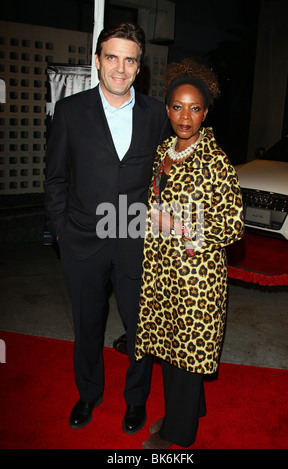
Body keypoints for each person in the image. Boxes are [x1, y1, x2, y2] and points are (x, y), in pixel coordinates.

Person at [44, 22, 170, 434]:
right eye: (112, 57)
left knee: (141, 329)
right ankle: (89, 394)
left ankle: (135, 401)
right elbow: (56, 178)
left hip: (137, 239)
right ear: (97, 61)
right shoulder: (69, 111)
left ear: (139, 67)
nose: (120, 67)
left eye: (129, 59)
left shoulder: (157, 114)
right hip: (82, 238)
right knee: (87, 326)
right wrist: (61, 229)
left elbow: (168, 178)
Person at [135, 58, 244, 449]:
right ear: (167, 109)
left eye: (194, 108)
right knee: (171, 348)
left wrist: (178, 227)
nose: (185, 116)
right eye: (178, 107)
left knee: (186, 353)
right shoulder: (166, 149)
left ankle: (179, 433)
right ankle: (190, 408)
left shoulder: (216, 162)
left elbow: (233, 227)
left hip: (197, 278)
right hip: (165, 270)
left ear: (205, 113)